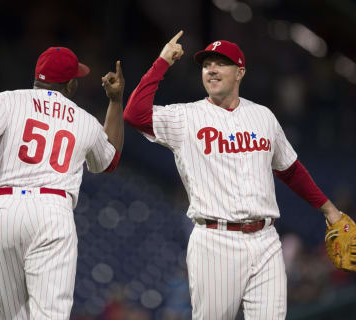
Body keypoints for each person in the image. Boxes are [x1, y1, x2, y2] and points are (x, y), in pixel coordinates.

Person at [123, 30, 344, 320]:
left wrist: (330, 209)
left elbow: (290, 169)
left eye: (220, 63)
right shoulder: (185, 116)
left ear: (240, 72)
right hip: (215, 240)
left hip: (265, 239)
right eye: (206, 64)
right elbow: (134, 114)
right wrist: (163, 61)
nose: (211, 69)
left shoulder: (263, 116)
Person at [0, 46, 125, 319]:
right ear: (70, 83)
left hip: (2, 209)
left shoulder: (6, 100)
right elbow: (110, 161)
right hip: (51, 210)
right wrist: (115, 102)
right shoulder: (85, 120)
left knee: (12, 316)